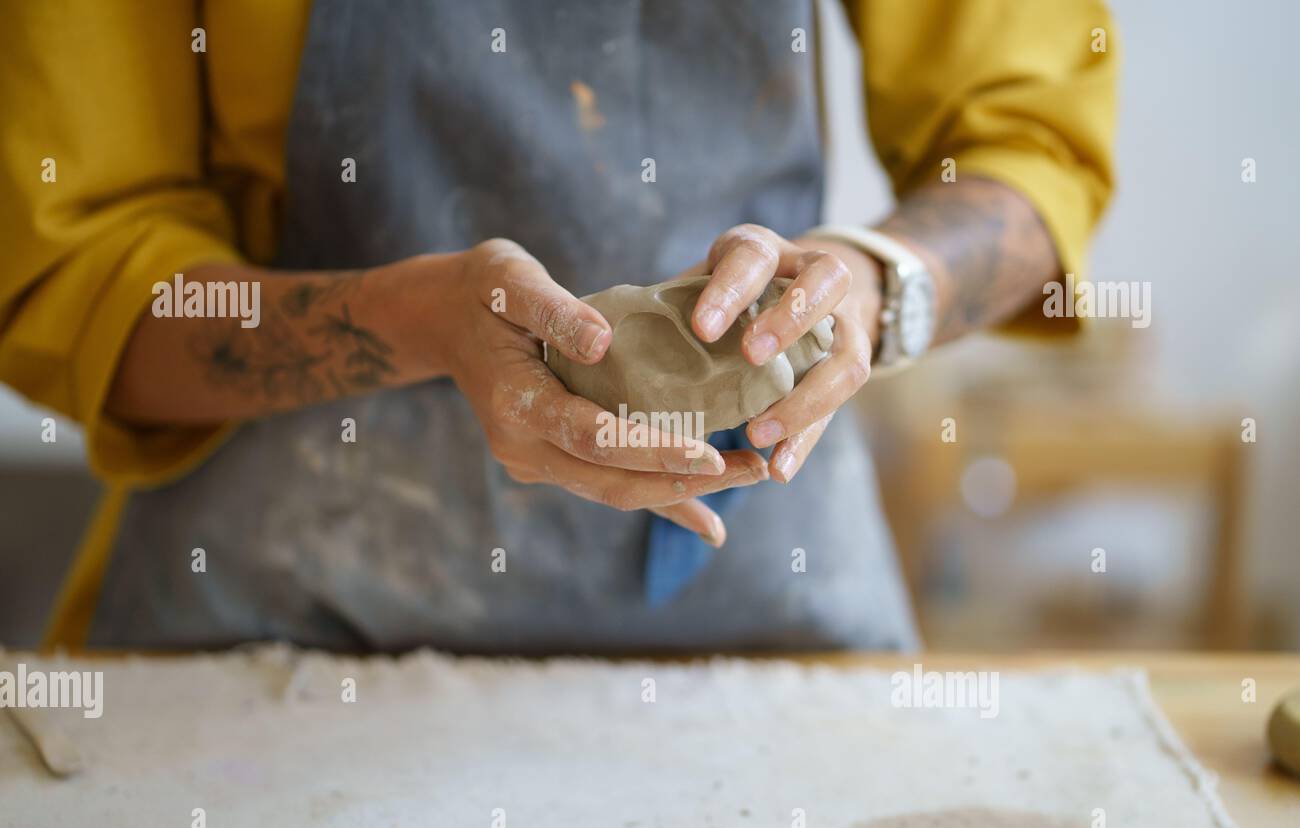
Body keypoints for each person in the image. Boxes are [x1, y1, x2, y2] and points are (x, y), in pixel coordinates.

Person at [0, 0, 1116, 653]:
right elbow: (73, 267)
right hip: (283, 599)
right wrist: (418, 318)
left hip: (751, 561)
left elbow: (1031, 150)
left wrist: (871, 283)